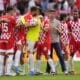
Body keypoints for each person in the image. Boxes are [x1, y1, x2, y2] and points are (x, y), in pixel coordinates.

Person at [46, 9, 68, 74]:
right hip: (48, 41)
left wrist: (57, 29)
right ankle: (48, 71)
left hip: (56, 41)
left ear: (55, 14)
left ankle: (64, 70)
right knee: (49, 56)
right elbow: (44, 31)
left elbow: (61, 33)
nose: (52, 15)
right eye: (50, 13)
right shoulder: (46, 21)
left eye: (53, 13)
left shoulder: (58, 22)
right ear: (48, 14)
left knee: (60, 55)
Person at [0, 6, 17, 76]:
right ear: (10, 11)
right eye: (13, 11)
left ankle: (0, 72)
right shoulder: (12, 18)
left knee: (1, 55)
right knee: (10, 55)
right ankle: (8, 72)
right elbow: (16, 27)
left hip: (2, 37)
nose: (13, 12)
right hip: (9, 38)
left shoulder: (1, 17)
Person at [67, 10, 80, 74]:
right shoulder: (69, 23)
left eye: (76, 14)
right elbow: (67, 31)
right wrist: (71, 33)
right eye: (74, 14)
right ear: (72, 15)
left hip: (79, 40)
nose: (75, 15)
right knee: (71, 55)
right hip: (73, 41)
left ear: (78, 15)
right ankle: (72, 70)